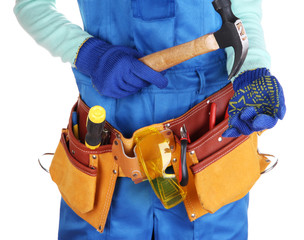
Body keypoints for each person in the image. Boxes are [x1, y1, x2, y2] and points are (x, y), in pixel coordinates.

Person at [14, 0, 285, 239]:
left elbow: (243, 10)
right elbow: (31, 4)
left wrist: (253, 69)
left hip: (207, 164)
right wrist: (90, 56)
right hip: (103, 170)